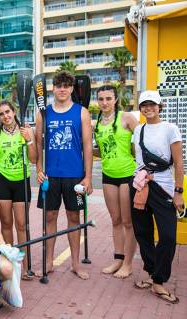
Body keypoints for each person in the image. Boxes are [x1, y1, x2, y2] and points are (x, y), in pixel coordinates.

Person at [35, 71, 93, 280]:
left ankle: (76, 263)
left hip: (75, 176)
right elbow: (39, 145)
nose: (62, 89)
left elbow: (87, 146)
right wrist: (39, 170)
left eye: (66, 86)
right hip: (51, 177)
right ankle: (49, 261)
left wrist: (87, 177)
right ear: (53, 88)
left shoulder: (82, 113)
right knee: (50, 217)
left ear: (71, 89)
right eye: (58, 85)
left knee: (73, 217)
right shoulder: (44, 114)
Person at [131, 90, 184, 304]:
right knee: (142, 232)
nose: (148, 108)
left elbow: (179, 162)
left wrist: (178, 192)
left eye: (152, 104)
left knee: (168, 236)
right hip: (141, 185)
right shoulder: (138, 130)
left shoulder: (170, 128)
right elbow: (138, 159)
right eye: (144, 105)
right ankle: (151, 273)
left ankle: (159, 280)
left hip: (164, 187)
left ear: (160, 106)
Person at [93, 85, 138, 278]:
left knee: (128, 221)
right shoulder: (97, 123)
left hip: (128, 174)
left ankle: (128, 264)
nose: (104, 103)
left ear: (115, 99)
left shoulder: (127, 118)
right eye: (101, 99)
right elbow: (101, 151)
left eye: (108, 98)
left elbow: (141, 143)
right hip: (108, 175)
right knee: (116, 220)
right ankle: (118, 260)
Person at [0, 100, 37, 280]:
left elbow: (33, 159)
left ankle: (25, 267)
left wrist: (29, 140)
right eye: (1, 114)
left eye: (8, 112)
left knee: (22, 225)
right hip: (2, 180)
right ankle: (10, 265)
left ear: (14, 111)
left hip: (21, 181)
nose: (5, 116)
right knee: (6, 224)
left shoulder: (26, 131)